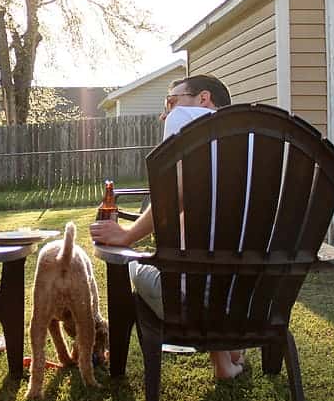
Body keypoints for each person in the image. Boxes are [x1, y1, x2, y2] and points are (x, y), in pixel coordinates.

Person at [89, 73, 244, 379]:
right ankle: (227, 353)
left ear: (204, 100)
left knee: (133, 264)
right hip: (251, 299)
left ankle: (222, 358)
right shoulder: (254, 142)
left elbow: (174, 194)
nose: (165, 113)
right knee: (211, 254)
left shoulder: (187, 118)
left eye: (171, 102)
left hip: (189, 303)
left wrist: (128, 235)